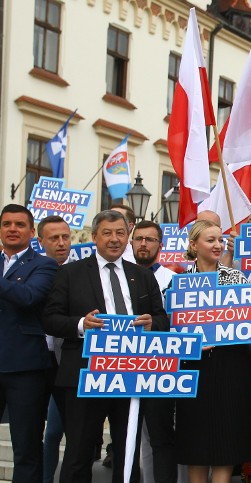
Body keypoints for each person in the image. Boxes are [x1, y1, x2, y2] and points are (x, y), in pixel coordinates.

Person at [43, 210, 169, 483]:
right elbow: (50, 319)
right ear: (94, 237)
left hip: (132, 375)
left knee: (127, 454)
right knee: (78, 453)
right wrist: (80, 324)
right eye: (107, 233)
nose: (114, 239)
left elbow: (162, 318)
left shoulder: (143, 276)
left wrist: (152, 324)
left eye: (120, 233)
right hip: (85, 375)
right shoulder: (69, 273)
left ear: (128, 237)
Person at [174, 220, 251, 483]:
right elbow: (171, 326)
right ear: (193, 245)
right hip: (194, 367)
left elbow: (249, 322)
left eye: (220, 240)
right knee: (196, 439)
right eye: (210, 240)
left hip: (230, 365)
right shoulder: (180, 281)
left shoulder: (236, 277)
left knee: (227, 437)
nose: (218, 245)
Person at [0, 204, 58, 482]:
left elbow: (28, 297)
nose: (12, 229)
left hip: (25, 369)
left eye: (19, 224)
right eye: (7, 223)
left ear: (32, 232)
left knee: (26, 448)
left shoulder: (44, 264)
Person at [131, 220, 182, 483]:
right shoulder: (119, 276)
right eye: (139, 238)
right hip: (124, 365)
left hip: (160, 365)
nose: (143, 244)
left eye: (149, 239)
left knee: (159, 436)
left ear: (160, 245)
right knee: (129, 438)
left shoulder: (172, 279)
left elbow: (178, 320)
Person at [37, 215, 72, 483]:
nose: (61, 243)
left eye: (65, 237)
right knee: (44, 434)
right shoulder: (33, 272)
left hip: (67, 362)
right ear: (41, 242)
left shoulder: (82, 271)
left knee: (67, 432)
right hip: (37, 359)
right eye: (54, 238)